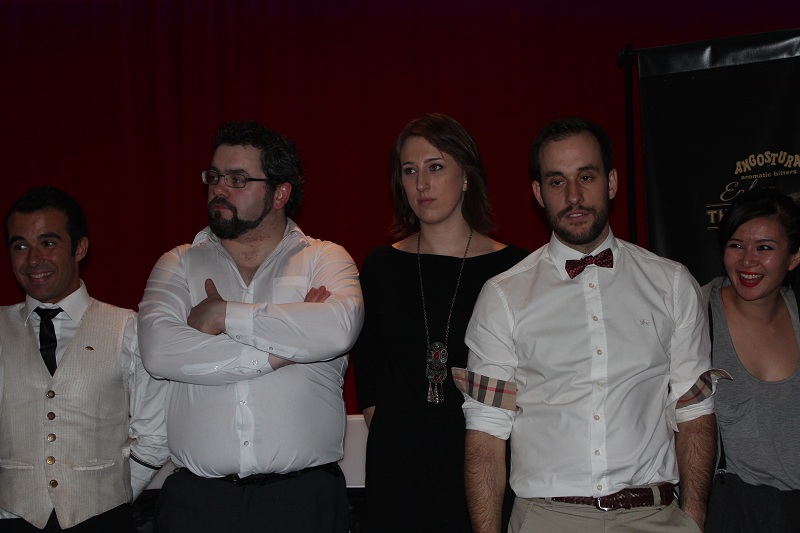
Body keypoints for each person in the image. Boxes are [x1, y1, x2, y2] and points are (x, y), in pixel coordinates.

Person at [456, 117, 718, 533]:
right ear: (539, 193)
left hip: (657, 517)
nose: (574, 196)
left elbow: (695, 413)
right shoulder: (503, 296)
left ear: (611, 183)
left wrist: (693, 520)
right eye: (557, 181)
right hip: (547, 519)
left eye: (587, 176)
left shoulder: (672, 284)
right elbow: (486, 434)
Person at [137, 120, 364, 533]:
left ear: (280, 194)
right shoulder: (178, 263)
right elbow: (159, 352)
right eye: (214, 176)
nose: (219, 189)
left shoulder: (325, 258)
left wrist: (224, 314)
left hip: (303, 501)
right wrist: (282, 352)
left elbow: (336, 330)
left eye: (238, 179)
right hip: (197, 504)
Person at [353, 113, 528, 532]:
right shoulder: (380, 267)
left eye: (435, 167)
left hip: (484, 470)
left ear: (466, 176)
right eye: (409, 171)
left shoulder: (515, 270)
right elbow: (370, 381)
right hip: (398, 478)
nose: (422, 184)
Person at [0, 186, 169, 532]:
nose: (33, 260)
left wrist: (114, 493)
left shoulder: (128, 328)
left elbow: (156, 433)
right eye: (20, 246)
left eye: (48, 243)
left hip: (104, 519)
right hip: (12, 518)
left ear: (79, 247)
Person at [702, 188, 800, 532]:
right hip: (734, 510)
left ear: (794, 257)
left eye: (765, 248)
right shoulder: (695, 316)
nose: (747, 261)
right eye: (736, 245)